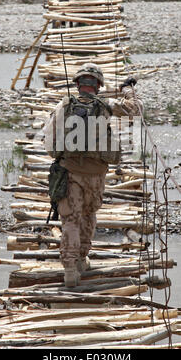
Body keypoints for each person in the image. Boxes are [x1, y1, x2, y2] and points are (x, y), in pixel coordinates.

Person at [44, 63, 143, 287]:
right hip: (97, 174)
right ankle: (81, 259)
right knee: (89, 215)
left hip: (70, 173)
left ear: (77, 84)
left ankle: (70, 270)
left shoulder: (64, 105)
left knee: (70, 219)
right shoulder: (107, 105)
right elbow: (136, 109)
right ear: (98, 85)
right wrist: (127, 89)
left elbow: (49, 143)